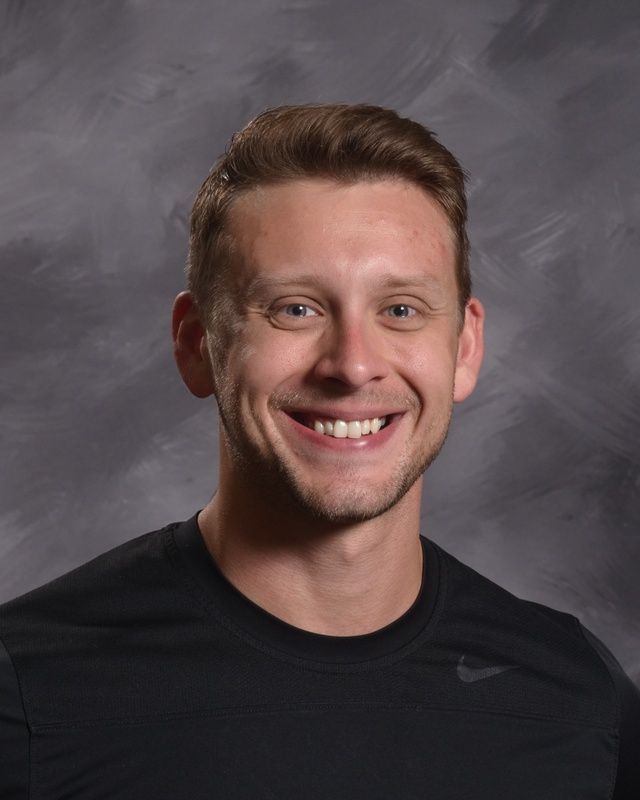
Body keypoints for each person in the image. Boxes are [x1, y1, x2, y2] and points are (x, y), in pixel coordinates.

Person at [0, 103, 638, 799]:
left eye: (400, 310)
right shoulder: (28, 690)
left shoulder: (578, 700)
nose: (353, 365)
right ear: (196, 345)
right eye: (295, 308)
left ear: (464, 348)